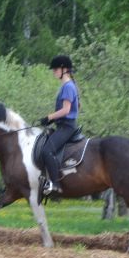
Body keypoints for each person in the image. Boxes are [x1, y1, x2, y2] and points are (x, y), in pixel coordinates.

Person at [39, 54, 79, 195]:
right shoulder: (67, 86)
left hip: (67, 127)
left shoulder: (68, 86)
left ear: (64, 69)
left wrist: (49, 117)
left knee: (46, 151)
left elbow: (66, 110)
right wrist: (52, 120)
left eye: (55, 69)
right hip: (63, 124)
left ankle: (55, 185)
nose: (53, 72)